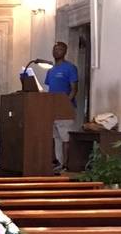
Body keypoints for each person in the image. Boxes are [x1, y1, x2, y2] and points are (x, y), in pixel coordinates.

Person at [44, 41, 78, 170]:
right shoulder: (51, 70)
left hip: (64, 110)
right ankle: (57, 162)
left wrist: (66, 104)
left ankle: (66, 165)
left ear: (64, 52)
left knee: (65, 138)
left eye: (59, 49)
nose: (55, 51)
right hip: (52, 109)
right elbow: (50, 88)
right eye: (54, 49)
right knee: (54, 137)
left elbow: (74, 89)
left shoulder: (70, 68)